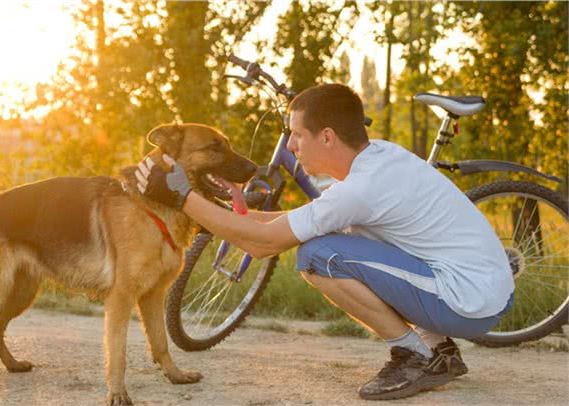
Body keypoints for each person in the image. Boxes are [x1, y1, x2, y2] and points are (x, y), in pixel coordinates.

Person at [135, 84, 514, 400]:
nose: (293, 146)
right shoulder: (378, 158)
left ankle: (414, 356)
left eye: (297, 135)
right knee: (330, 241)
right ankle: (440, 350)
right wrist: (210, 216)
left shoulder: (360, 189)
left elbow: (264, 244)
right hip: (477, 288)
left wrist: (183, 197)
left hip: (468, 301)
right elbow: (280, 223)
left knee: (318, 254)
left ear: (327, 137)